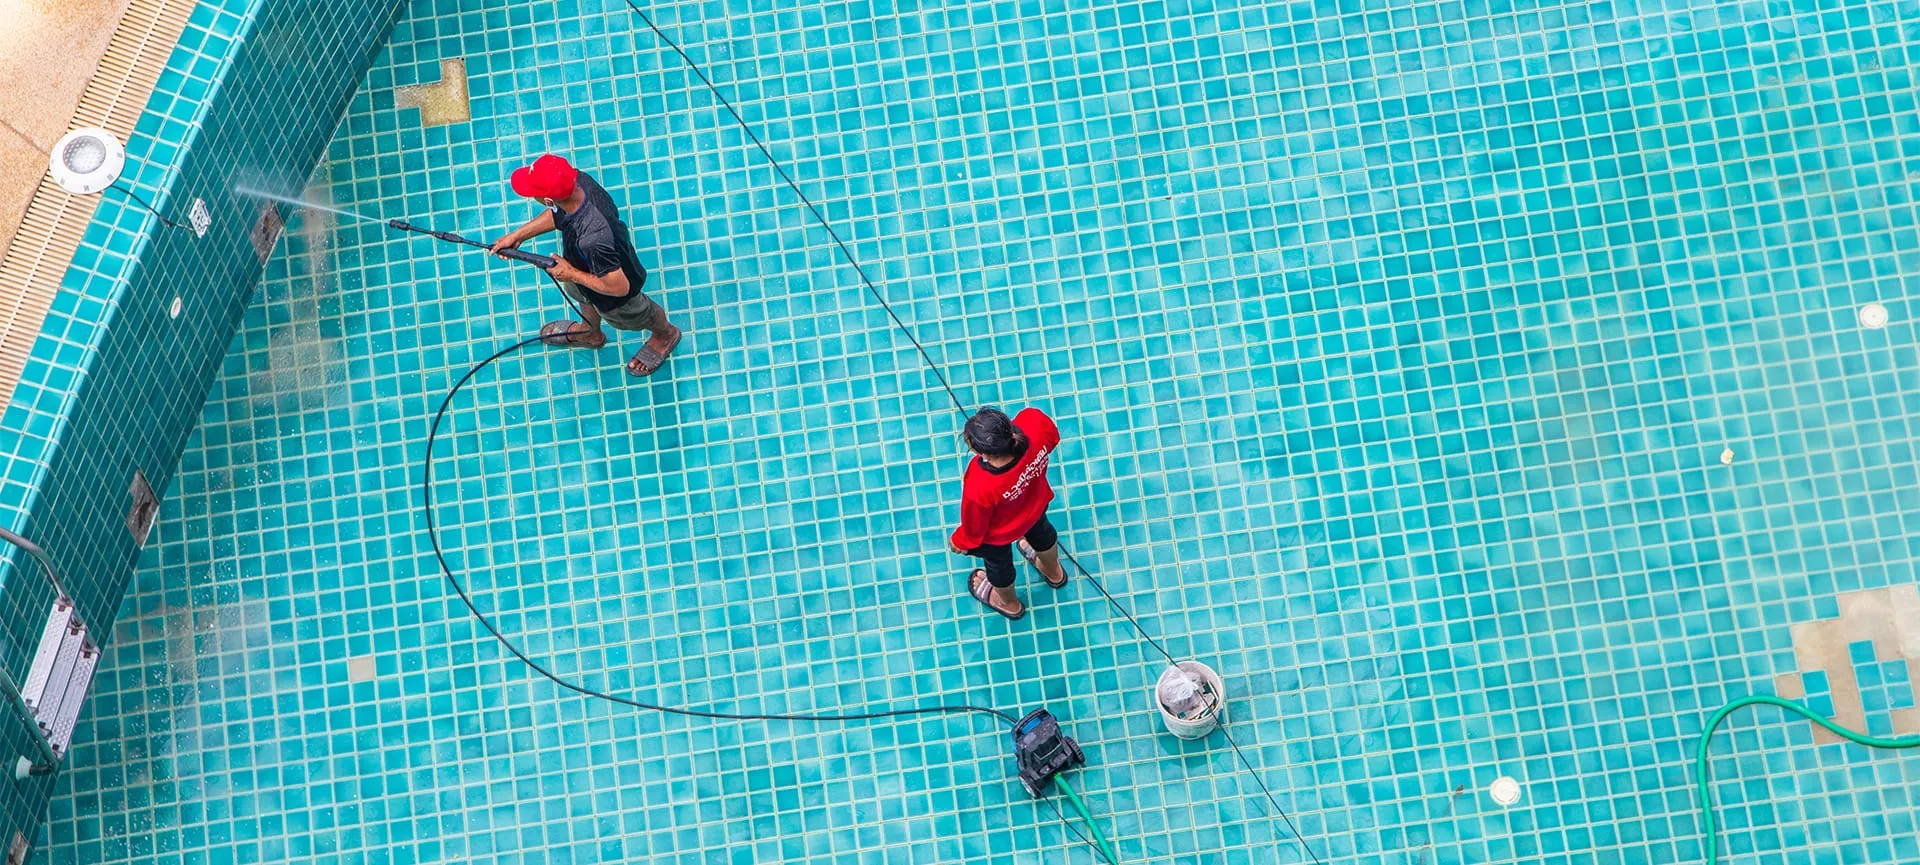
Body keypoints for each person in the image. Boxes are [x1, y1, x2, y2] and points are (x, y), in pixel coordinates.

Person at [491, 154, 683, 376]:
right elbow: (558, 214)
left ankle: (666, 335)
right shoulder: (578, 182)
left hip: (614, 290)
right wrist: (517, 236)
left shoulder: (594, 239)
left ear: (548, 200)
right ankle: (591, 333)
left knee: (639, 313)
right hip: (581, 264)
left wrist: (571, 273)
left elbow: (619, 287)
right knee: (582, 295)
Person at [948, 407, 1068, 619]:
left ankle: (1010, 604)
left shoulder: (980, 482)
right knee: (1043, 535)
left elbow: (975, 524)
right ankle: (1054, 573)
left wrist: (960, 542)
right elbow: (1052, 437)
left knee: (999, 566)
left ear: (983, 453)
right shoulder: (1034, 423)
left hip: (998, 535)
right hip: (1035, 507)